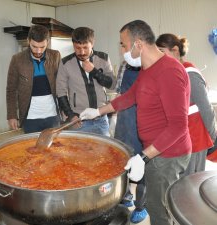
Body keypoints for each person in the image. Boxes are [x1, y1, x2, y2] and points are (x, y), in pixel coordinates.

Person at [80, 20, 191, 225]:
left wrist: (143, 156)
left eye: (123, 44)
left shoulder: (169, 71)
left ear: (138, 44)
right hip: (155, 150)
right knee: (154, 203)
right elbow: (129, 97)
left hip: (168, 155)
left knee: (159, 210)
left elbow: (178, 126)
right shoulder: (147, 69)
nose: (121, 49)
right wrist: (97, 111)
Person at [156, 33, 217, 175]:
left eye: (162, 52)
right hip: (179, 140)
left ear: (175, 50)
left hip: (195, 140)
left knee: (190, 186)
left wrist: (214, 137)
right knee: (180, 186)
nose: (158, 57)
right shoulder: (172, 72)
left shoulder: (190, 73)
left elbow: (206, 109)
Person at [56, 27, 117, 136]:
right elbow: (60, 92)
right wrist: (70, 115)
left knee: (104, 152)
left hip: (101, 120)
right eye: (77, 48)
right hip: (79, 121)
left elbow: (112, 85)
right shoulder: (65, 63)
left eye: (85, 47)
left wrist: (94, 71)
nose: (82, 52)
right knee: (79, 152)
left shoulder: (103, 58)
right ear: (73, 45)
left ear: (92, 44)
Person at [6, 24, 61, 133]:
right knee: (32, 149)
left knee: (54, 148)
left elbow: (63, 85)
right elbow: (11, 89)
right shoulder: (17, 59)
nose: (38, 51)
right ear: (28, 41)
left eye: (42, 47)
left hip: (53, 116)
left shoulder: (55, 56)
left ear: (47, 42)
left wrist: (66, 110)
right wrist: (12, 115)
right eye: (34, 46)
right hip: (30, 118)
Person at [115, 61, 148, 223]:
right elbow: (118, 90)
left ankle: (141, 206)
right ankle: (125, 194)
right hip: (123, 118)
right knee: (120, 160)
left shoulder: (150, 66)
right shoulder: (124, 64)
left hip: (142, 121)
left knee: (141, 165)